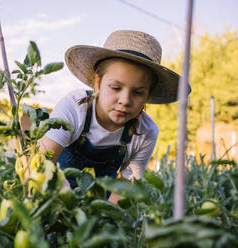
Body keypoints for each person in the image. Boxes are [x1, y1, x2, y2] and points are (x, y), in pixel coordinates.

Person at [38, 30, 190, 204]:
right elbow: (42, 163)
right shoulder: (75, 108)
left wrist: (104, 221)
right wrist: (66, 205)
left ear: (148, 95)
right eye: (116, 88)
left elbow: (124, 188)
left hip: (99, 205)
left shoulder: (145, 133)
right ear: (98, 83)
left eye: (138, 92)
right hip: (52, 195)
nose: (125, 101)